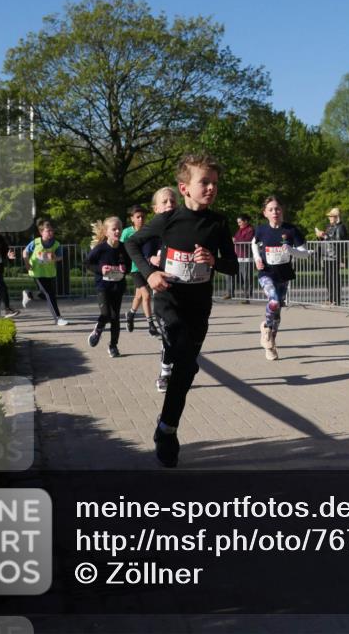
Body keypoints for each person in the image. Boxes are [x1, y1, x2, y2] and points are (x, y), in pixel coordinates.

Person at [125, 153, 239, 468]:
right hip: (169, 304)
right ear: (185, 187)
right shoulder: (169, 219)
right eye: (204, 182)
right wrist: (150, 273)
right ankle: (168, 432)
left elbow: (232, 266)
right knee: (184, 359)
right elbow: (131, 244)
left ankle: (165, 427)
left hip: (199, 308)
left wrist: (214, 261)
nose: (211, 188)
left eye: (215, 183)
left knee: (186, 370)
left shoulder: (218, 222)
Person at [252, 196, 313, 361]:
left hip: (283, 275)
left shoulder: (291, 230)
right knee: (273, 301)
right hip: (266, 273)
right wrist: (257, 259)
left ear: (282, 210)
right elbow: (254, 243)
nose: (275, 212)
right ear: (265, 213)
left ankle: (270, 344)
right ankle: (266, 327)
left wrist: (291, 250)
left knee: (277, 313)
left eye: (277, 209)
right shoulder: (261, 230)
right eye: (271, 209)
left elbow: (305, 253)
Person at [147, 186, 179, 391]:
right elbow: (140, 252)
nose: (169, 205)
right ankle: (165, 372)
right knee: (169, 331)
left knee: (183, 335)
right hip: (163, 290)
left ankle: (178, 368)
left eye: (173, 201)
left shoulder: (184, 227)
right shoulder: (152, 232)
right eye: (165, 202)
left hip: (185, 288)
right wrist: (151, 259)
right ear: (156, 208)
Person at [85, 217, 131, 358]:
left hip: (118, 286)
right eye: (114, 229)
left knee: (115, 317)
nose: (117, 231)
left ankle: (113, 346)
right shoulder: (101, 248)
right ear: (106, 232)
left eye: (119, 229)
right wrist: (100, 269)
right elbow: (87, 263)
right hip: (103, 286)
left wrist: (125, 268)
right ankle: (98, 329)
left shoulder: (124, 248)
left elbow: (129, 266)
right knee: (106, 314)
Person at [21, 219, 69, 326]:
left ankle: (29, 294)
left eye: (52, 231)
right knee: (49, 294)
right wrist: (27, 263)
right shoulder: (35, 242)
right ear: (41, 232)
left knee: (45, 294)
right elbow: (25, 252)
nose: (50, 233)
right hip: (37, 272)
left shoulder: (56, 244)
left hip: (49, 273)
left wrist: (54, 257)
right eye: (48, 231)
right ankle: (58, 318)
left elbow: (60, 257)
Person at [121, 205, 159, 337]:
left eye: (143, 217)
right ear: (132, 219)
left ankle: (130, 314)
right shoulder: (127, 233)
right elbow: (120, 249)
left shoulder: (148, 231)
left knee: (139, 296)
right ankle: (151, 325)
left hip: (147, 268)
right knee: (146, 295)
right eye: (138, 217)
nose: (141, 219)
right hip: (135, 269)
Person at [315, 207, 347, 305]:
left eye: (331, 216)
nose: (329, 218)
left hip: (334, 256)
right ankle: (330, 298)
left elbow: (338, 241)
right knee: (327, 278)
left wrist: (325, 236)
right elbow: (325, 239)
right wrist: (320, 236)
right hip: (326, 255)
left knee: (334, 278)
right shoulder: (329, 226)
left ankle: (336, 299)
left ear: (337, 217)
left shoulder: (340, 227)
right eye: (329, 216)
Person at [229, 214, 255, 301]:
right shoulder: (239, 230)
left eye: (240, 222)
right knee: (235, 275)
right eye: (238, 222)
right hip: (237, 257)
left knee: (246, 277)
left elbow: (248, 240)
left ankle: (247, 296)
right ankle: (231, 293)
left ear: (246, 221)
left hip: (246, 257)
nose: (238, 224)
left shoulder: (250, 230)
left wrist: (235, 240)